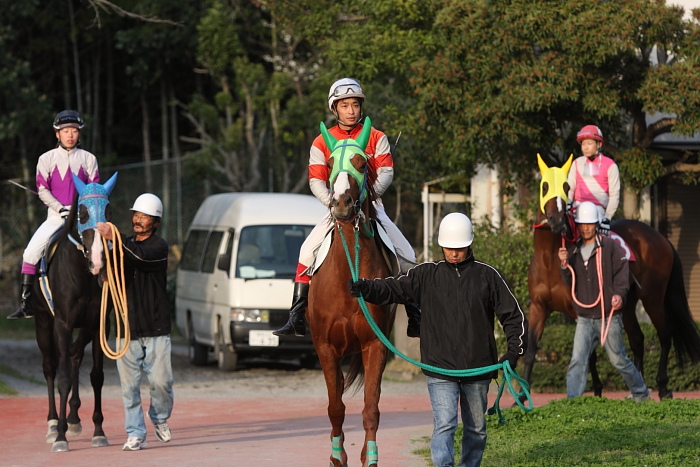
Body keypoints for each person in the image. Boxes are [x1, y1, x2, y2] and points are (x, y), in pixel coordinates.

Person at [349, 213, 528, 467]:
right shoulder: (425, 275)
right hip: (439, 368)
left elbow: (513, 315)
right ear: (441, 245)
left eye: (459, 248)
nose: (454, 253)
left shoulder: (488, 276)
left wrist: (513, 352)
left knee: (477, 428)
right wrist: (367, 288)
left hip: (478, 368)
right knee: (445, 425)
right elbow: (393, 288)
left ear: (469, 244)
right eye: (449, 248)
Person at [274, 77, 419, 338]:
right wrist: (332, 202)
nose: (350, 110)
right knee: (306, 251)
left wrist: (368, 196)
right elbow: (316, 180)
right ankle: (296, 315)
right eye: (344, 106)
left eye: (354, 104)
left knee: (407, 254)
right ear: (334, 109)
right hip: (337, 207)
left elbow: (386, 172)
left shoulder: (377, 137)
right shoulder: (321, 141)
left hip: (371, 205)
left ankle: (415, 315)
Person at [96, 193, 174, 451]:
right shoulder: (122, 244)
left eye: (145, 217)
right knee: (129, 388)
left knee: (161, 382)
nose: (138, 220)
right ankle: (135, 432)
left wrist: (113, 237)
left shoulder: (159, 247)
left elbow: (140, 257)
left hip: (156, 326)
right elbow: (106, 273)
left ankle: (160, 419)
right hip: (125, 328)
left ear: (156, 222)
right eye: (136, 215)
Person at [8, 110, 99, 319]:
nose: (70, 135)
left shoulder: (89, 159)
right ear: (57, 134)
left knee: (107, 248)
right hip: (56, 216)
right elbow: (42, 190)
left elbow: (94, 189)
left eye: (74, 131)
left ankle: (109, 293)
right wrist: (60, 208)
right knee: (30, 253)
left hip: (84, 217)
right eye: (65, 131)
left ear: (79, 133)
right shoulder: (46, 159)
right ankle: (26, 303)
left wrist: (80, 210)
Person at [557, 201, 650, 402]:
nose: (586, 227)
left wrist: (619, 294)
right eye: (582, 224)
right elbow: (569, 281)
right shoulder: (573, 250)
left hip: (609, 316)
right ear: (579, 226)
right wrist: (564, 265)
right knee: (577, 361)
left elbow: (622, 273)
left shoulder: (610, 246)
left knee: (619, 360)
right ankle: (572, 402)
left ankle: (641, 393)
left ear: (597, 224)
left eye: (590, 223)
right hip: (584, 317)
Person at [567, 124, 620, 235]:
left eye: (589, 143)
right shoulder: (577, 163)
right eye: (583, 144)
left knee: (601, 241)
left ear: (599, 144)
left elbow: (614, 195)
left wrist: (607, 218)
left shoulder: (610, 165)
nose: (585, 147)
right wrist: (568, 203)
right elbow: (570, 187)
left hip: (598, 212)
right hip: (576, 209)